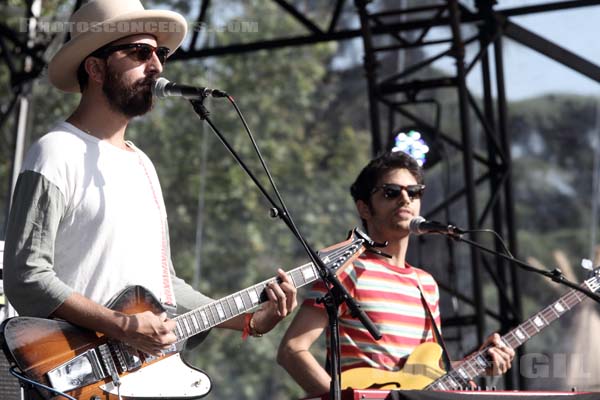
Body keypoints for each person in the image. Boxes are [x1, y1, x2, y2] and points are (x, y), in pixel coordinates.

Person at [3, 0, 296, 363]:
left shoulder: (142, 164)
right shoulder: (55, 151)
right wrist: (123, 326)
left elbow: (164, 285)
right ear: (95, 68)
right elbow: (26, 275)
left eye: (161, 54)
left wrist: (249, 318)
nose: (156, 66)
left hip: (141, 379)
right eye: (141, 52)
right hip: (75, 377)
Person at [277, 151, 514, 396]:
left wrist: (476, 362)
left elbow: (427, 372)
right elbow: (292, 349)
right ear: (365, 209)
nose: (405, 199)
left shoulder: (426, 284)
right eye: (391, 192)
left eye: (414, 192)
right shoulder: (346, 271)